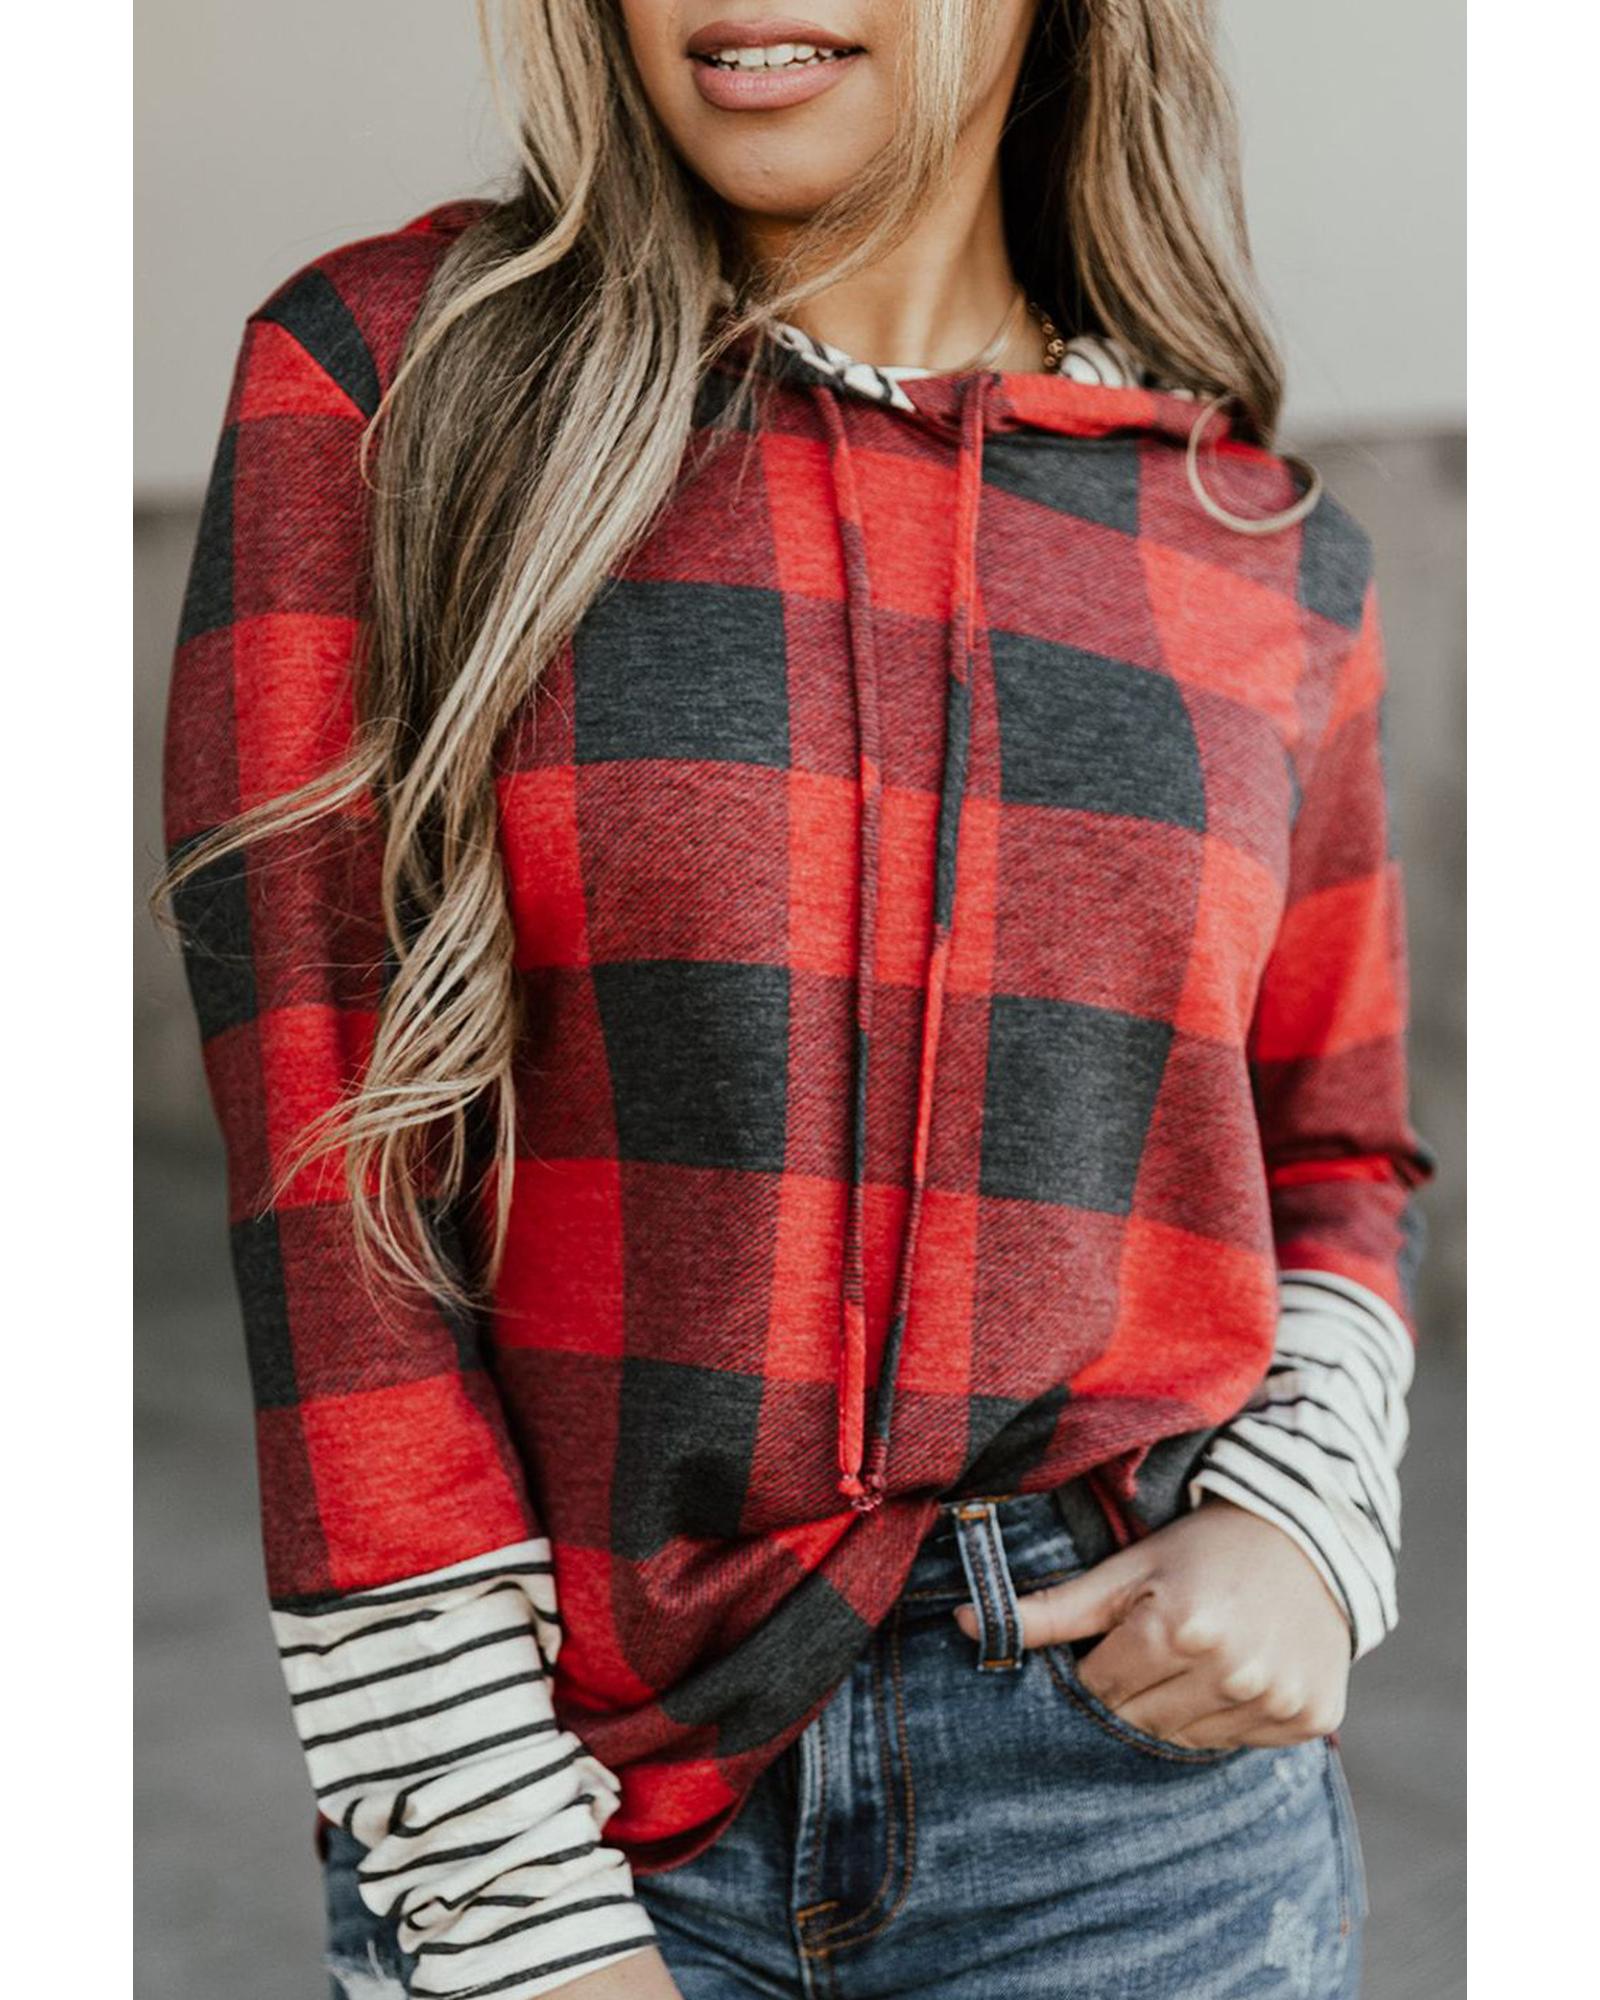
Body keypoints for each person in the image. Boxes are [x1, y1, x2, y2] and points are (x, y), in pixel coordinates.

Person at [160, 4, 1437, 1997]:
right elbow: (332, 1193)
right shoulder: (397, 380)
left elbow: (1335, 1149)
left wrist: (1303, 1524)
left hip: (1137, 1808)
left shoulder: (1260, 549)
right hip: (570, 1791)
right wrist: (502, 1890)